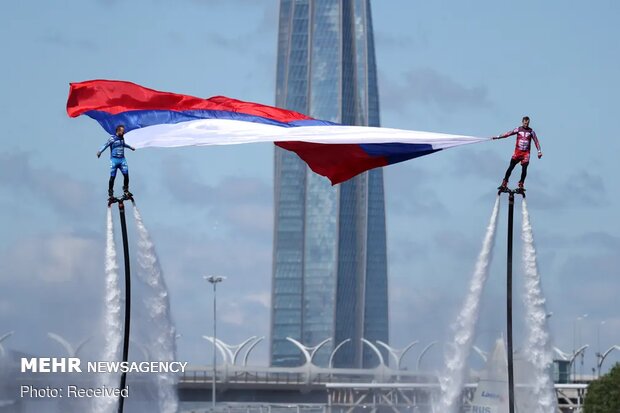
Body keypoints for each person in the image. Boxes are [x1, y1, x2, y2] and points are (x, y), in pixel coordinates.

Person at [494, 116, 542, 190]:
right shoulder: (518, 129)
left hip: (526, 154)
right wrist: (498, 137)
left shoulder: (531, 131)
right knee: (510, 167)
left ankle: (521, 184)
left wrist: (539, 151)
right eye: (525, 122)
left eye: (528, 123)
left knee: (524, 169)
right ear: (522, 122)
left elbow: (536, 141)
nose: (526, 124)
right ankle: (505, 182)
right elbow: (508, 134)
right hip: (517, 153)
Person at [97, 125, 135, 200]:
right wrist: (99, 151)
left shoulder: (122, 138)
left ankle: (126, 191)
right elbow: (105, 145)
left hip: (122, 160)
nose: (124, 132)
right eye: (122, 131)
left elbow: (124, 144)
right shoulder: (112, 138)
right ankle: (111, 194)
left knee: (126, 175)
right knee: (112, 177)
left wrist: (131, 147)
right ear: (118, 131)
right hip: (114, 160)